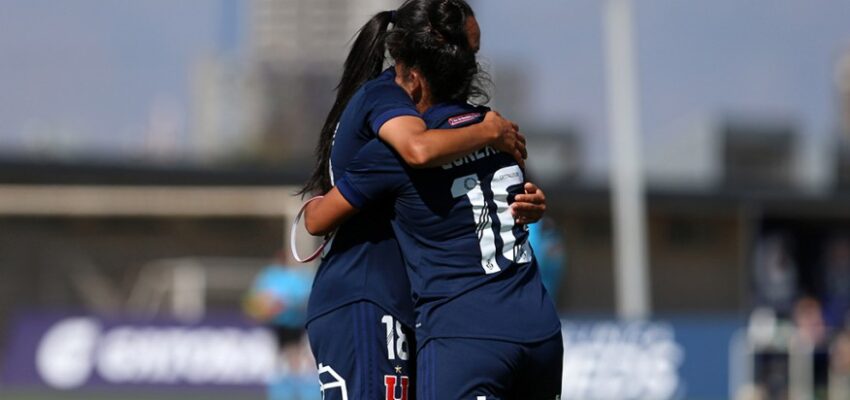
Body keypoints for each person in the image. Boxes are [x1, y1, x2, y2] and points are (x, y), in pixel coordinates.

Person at [303, 9, 563, 398]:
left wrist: (528, 203)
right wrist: (491, 134)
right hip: (528, 324)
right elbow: (423, 151)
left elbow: (316, 219)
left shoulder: (439, 140)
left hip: (447, 321)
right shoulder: (490, 130)